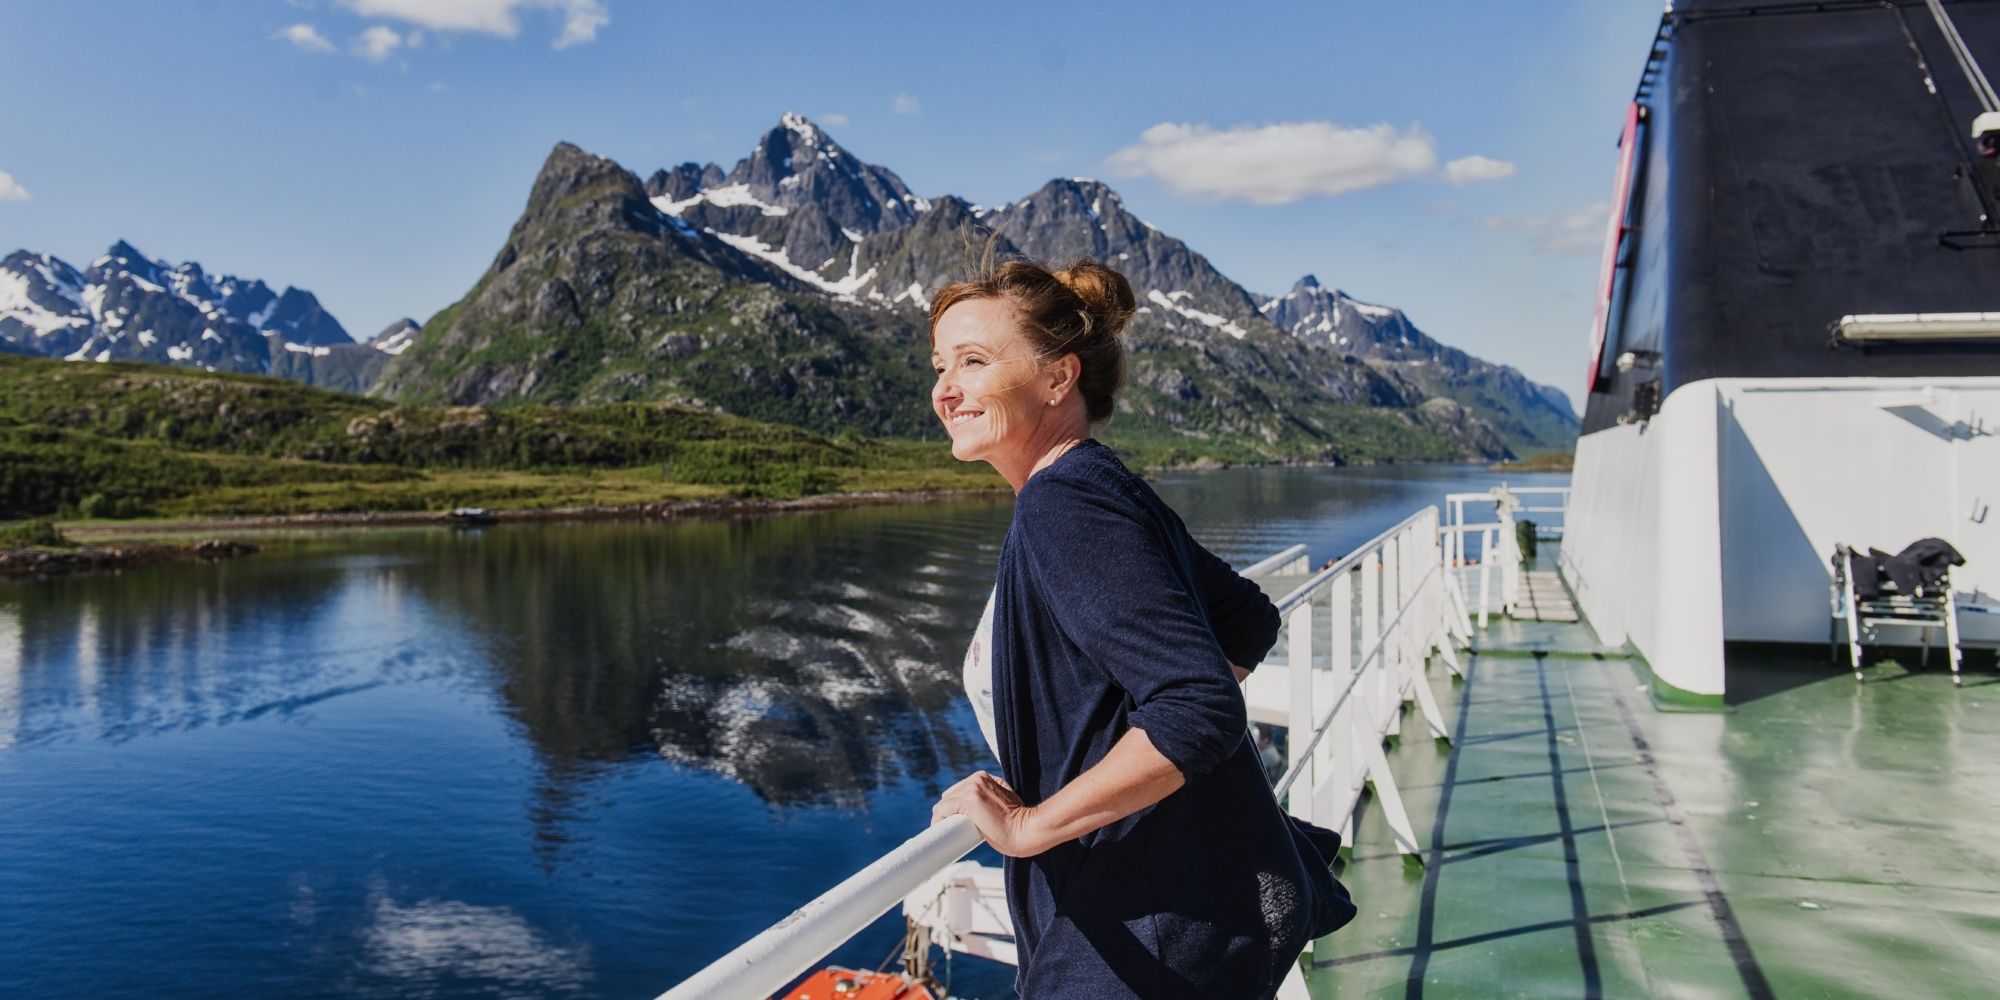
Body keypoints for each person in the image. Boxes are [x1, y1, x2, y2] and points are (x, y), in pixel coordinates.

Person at [927, 256, 1355, 998]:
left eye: (973, 361)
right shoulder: (1098, 483)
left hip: (1152, 925)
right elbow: (1246, 621)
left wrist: (1033, 825)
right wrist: (1132, 748)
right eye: (939, 365)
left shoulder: (1064, 506)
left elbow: (1197, 705)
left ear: (1059, 379)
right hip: (1195, 902)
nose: (945, 389)